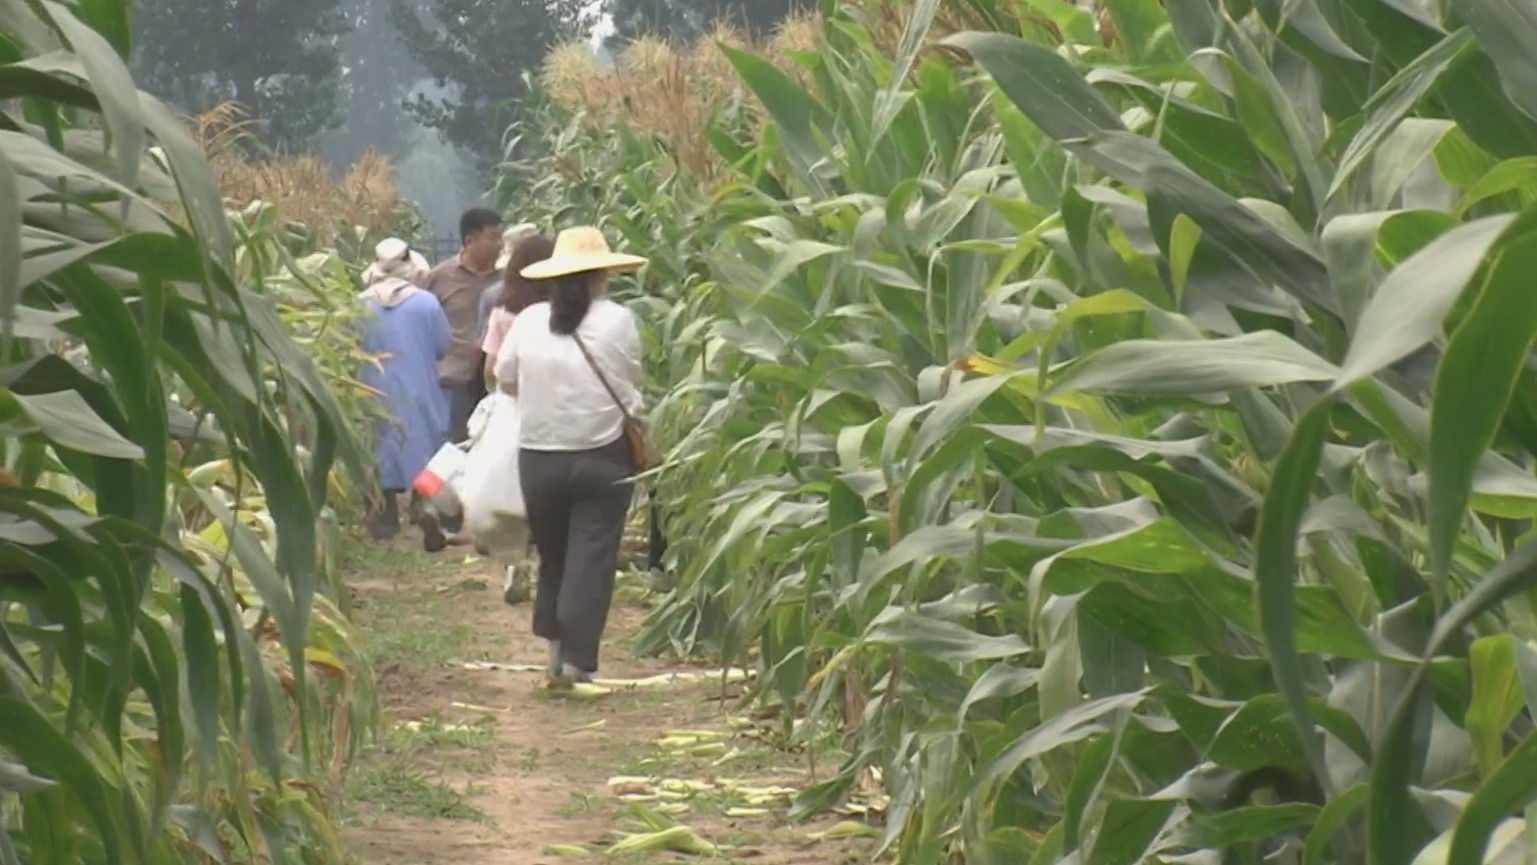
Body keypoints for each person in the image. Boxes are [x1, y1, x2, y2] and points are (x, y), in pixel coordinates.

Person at [496, 226, 647, 686]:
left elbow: (504, 378)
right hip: (603, 454)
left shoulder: (528, 321)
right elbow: (632, 376)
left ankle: (555, 649)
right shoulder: (619, 319)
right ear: (602, 274)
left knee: (554, 553)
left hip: (539, 457)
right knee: (592, 554)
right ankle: (577, 661)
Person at [479, 230, 556, 606]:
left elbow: (491, 368)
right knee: (548, 489)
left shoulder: (503, 312)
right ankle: (544, 560)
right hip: (552, 410)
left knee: (512, 485)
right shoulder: (562, 314)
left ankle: (516, 560)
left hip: (512, 409)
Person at [359, 238, 452, 542]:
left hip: (371, 388)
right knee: (424, 444)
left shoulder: (359, 305)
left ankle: (382, 518)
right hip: (419, 388)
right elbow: (442, 346)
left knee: (377, 446)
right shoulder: (426, 303)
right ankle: (424, 506)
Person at [423, 208, 503, 542]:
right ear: (470, 240)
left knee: (489, 449)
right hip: (454, 374)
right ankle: (434, 509)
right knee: (450, 447)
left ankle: (474, 518)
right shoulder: (440, 277)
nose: (499, 244)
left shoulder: (506, 281)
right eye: (492, 237)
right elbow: (425, 320)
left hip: (493, 378)